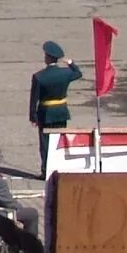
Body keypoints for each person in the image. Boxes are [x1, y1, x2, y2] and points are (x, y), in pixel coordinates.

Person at [30, 39, 83, 167]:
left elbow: (34, 99)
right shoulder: (65, 73)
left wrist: (33, 116)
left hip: (45, 113)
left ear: (47, 58)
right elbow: (78, 73)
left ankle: (46, 169)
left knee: (45, 143)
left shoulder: (39, 76)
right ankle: (60, 166)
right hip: (61, 112)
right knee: (59, 140)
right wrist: (71, 63)